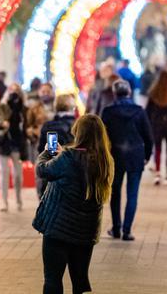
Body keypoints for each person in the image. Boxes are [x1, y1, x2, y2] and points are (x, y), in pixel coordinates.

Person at [33, 115, 114, 294]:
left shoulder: (69, 157)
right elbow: (81, 170)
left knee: (53, 279)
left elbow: (43, 170)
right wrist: (62, 155)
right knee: (80, 281)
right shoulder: (105, 161)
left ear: (79, 133)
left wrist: (48, 153)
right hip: (86, 231)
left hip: (58, 229)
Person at [100, 80, 152, 240]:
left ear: (115, 93)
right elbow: (149, 137)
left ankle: (116, 228)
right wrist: (147, 156)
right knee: (132, 194)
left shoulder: (108, 111)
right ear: (129, 92)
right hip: (135, 156)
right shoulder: (139, 111)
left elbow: (103, 137)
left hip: (115, 156)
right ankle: (127, 231)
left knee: (115, 193)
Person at [0, 85, 28, 211]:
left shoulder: (23, 109)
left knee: (18, 175)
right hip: (3, 143)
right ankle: (4, 202)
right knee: (4, 173)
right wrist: (1, 123)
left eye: (16, 90)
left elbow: (27, 125)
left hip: (17, 143)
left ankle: (18, 199)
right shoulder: (1, 107)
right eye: (11, 90)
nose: (14, 93)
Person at [36, 94, 78, 198]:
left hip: (50, 172)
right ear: (72, 106)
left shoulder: (47, 125)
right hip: (71, 174)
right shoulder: (78, 125)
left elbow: (41, 149)